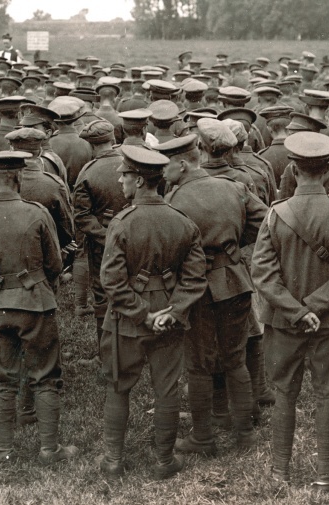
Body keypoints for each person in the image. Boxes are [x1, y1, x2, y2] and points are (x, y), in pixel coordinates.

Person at [251, 132, 329, 492]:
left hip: (284, 323)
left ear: (293, 170)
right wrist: (315, 308)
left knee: (284, 392)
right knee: (326, 392)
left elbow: (262, 275)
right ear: (328, 169)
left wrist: (296, 311)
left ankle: (279, 474)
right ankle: (326, 476)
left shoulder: (275, 214)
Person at [98, 145, 208, 480]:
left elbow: (112, 281)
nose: (120, 179)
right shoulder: (183, 223)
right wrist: (172, 312)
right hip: (168, 317)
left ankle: (113, 462)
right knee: (167, 388)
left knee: (119, 386)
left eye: (125, 174)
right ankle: (164, 462)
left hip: (126, 319)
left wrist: (141, 314)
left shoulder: (122, 223)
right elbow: (195, 279)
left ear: (142, 181)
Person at [156, 134, 267, 454]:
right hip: (234, 280)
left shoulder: (174, 201)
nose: (163, 173)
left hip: (196, 288)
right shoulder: (234, 187)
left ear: (182, 164)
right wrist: (231, 246)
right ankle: (244, 434)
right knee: (235, 359)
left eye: (166, 166)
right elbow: (264, 223)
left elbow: (168, 249)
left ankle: (202, 437)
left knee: (198, 364)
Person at [0, 151, 78, 464]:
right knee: (45, 375)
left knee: (1, 377)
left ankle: (4, 450)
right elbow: (55, 263)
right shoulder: (37, 212)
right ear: (18, 178)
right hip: (35, 303)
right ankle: (49, 449)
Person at [73, 120, 129, 364]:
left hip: (102, 245)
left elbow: (82, 217)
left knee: (102, 297)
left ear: (90, 145)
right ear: (112, 139)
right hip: (134, 239)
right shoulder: (130, 163)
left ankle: (106, 355)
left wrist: (106, 237)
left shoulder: (87, 172)